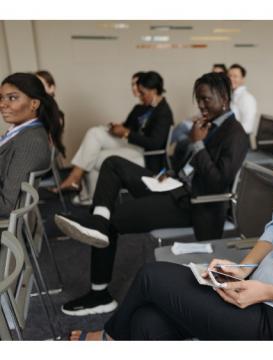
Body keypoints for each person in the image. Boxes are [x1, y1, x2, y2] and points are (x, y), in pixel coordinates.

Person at [68, 65, 273, 340]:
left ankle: (102, 342)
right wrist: (243, 267)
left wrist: (265, 291)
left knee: (151, 277)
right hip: (257, 288)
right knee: (147, 324)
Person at [54, 72, 249, 316]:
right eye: (198, 99)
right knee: (114, 163)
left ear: (224, 98)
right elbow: (184, 165)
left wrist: (198, 144)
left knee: (114, 222)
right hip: (174, 186)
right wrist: (177, 161)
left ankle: (99, 294)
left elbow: (218, 183)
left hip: (194, 204)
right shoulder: (208, 125)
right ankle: (98, 219)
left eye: (206, 99)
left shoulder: (236, 134)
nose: (201, 105)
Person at [55, 71, 173, 201]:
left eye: (143, 93)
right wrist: (117, 128)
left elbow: (155, 143)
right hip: (132, 144)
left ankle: (90, 196)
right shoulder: (141, 107)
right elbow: (129, 126)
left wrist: (126, 133)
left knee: (95, 156)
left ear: (154, 91)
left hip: (146, 154)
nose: (139, 96)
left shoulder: (163, 112)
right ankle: (76, 179)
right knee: (95, 132)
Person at [0, 72, 64, 217]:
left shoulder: (30, 142)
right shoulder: (22, 132)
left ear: (34, 104)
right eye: (1, 98)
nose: (2, 104)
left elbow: (6, 205)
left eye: (12, 98)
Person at [228, 63, 257, 135]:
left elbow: (248, 127)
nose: (231, 79)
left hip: (240, 139)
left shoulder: (247, 98)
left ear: (242, 79)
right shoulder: (232, 96)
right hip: (233, 137)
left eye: (235, 76)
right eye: (229, 76)